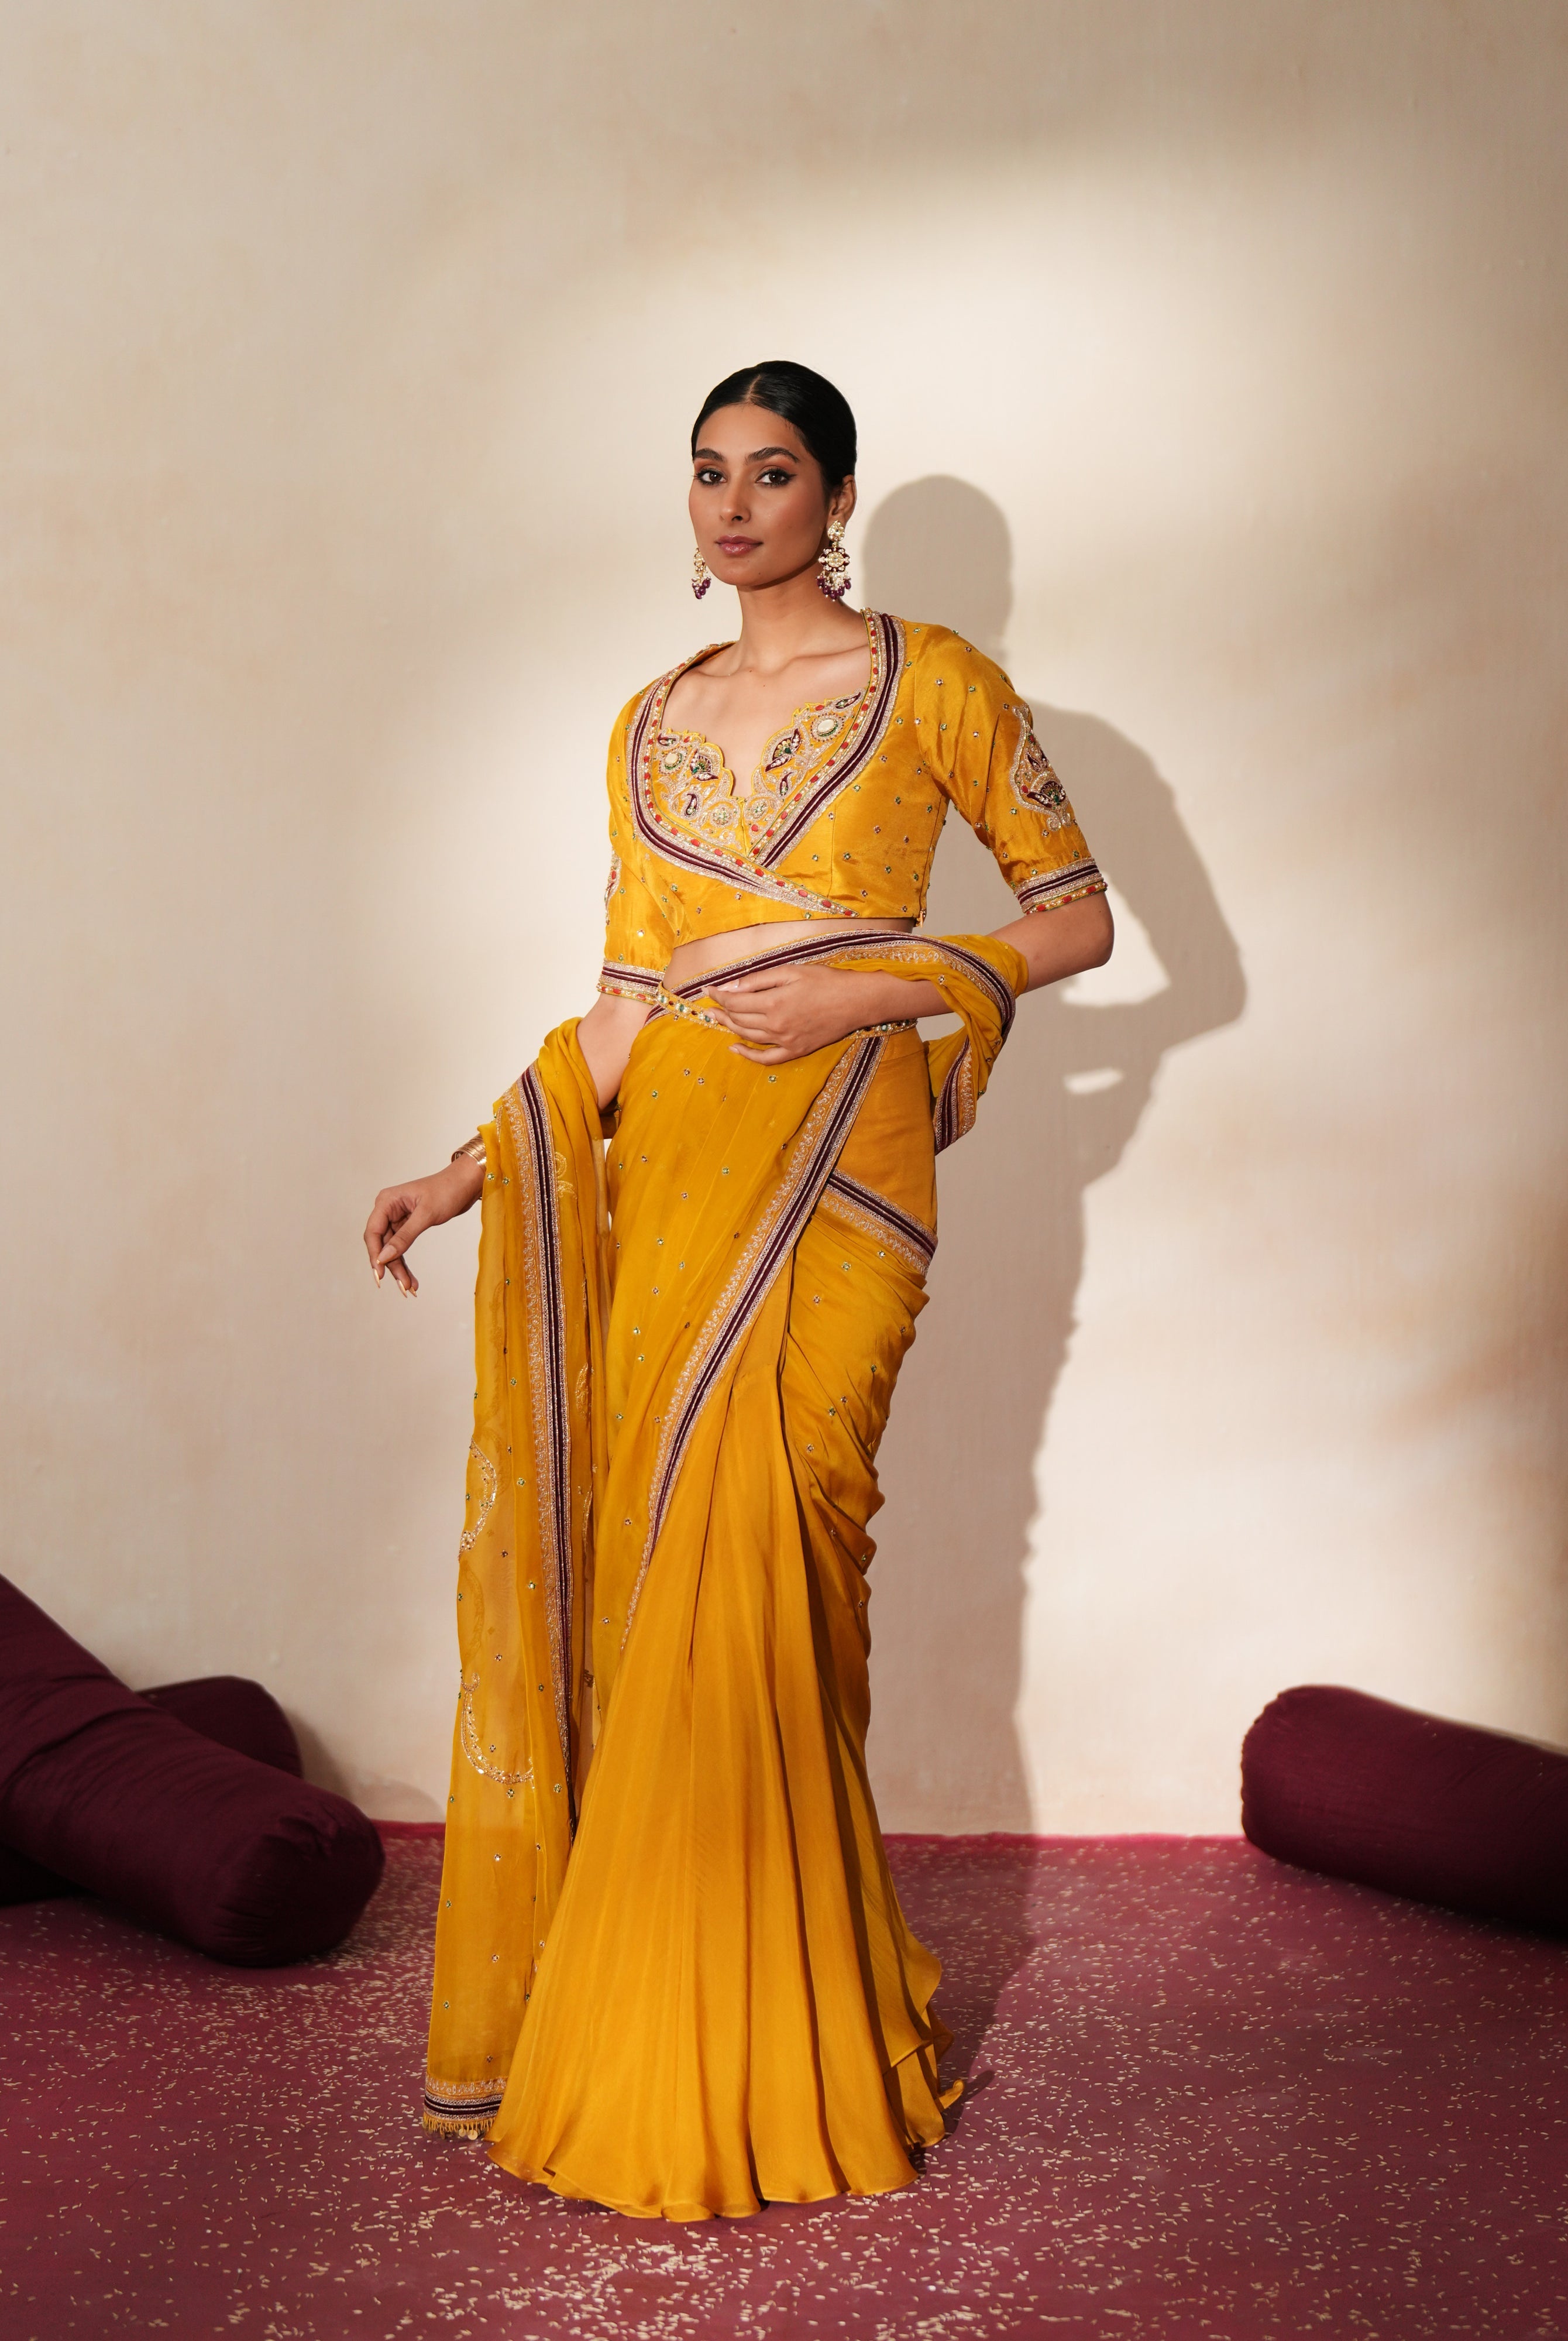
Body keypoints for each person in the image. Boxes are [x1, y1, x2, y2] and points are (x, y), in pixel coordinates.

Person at [363, 361, 1113, 2222]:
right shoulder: (648, 721)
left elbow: (1075, 911)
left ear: (833, 496)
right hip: (681, 1160)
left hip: (845, 1158)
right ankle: (658, 2016)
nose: (733, 504)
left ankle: (801, 2014)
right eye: (707, 473)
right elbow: (628, 996)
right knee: (663, 1560)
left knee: (789, 1547)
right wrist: (476, 1165)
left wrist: (882, 985)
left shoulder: (933, 681)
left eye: (772, 473)